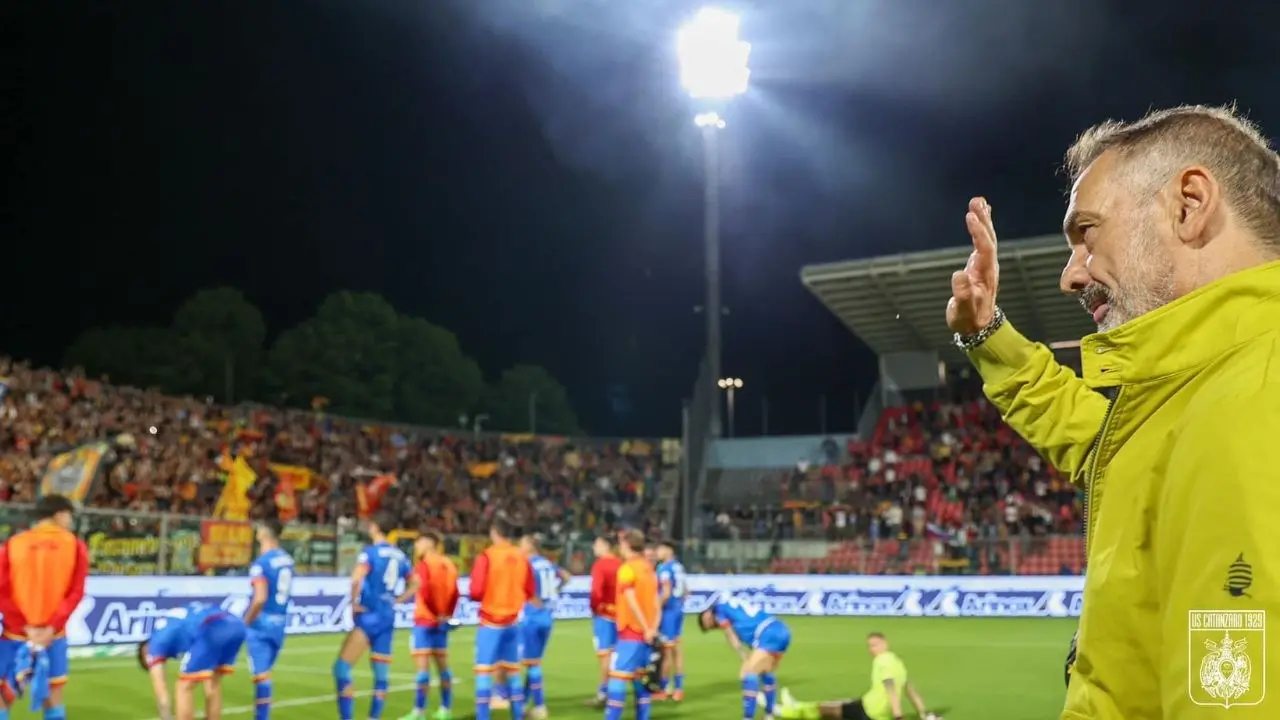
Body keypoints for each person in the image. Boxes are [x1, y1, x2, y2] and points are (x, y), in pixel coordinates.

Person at [945, 104, 1280, 717]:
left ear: (1189, 204)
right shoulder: (1203, 388)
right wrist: (988, 334)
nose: (1070, 277)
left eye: (1086, 233)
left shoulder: (1258, 395)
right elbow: (1105, 448)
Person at [0, 494, 89, 720]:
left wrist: (25, 627)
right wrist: (50, 627)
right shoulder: (76, 546)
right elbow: (76, 592)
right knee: (53, 697)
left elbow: (2, 590)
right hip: (53, 637)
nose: (70, 521)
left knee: (4, 697)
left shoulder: (12, 545)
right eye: (70, 515)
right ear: (59, 514)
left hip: (15, 635)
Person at [334, 512, 416, 720]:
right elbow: (417, 583)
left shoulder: (370, 553)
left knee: (342, 668)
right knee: (381, 675)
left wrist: (353, 604)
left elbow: (356, 579)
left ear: (375, 527)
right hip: (387, 617)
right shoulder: (400, 555)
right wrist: (398, 599)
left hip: (370, 614)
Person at [776, 633, 939, 720]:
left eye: (874, 645)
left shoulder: (882, 662)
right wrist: (923, 713)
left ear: (885, 644)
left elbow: (891, 691)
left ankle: (786, 711)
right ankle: (797, 706)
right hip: (873, 707)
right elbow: (910, 691)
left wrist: (898, 716)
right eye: (869, 646)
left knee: (826, 711)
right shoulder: (898, 662)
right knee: (841, 703)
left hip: (870, 711)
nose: (871, 649)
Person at [469, 518, 536, 720]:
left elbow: (476, 591)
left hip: (491, 621)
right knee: (513, 671)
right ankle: (517, 714)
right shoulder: (521, 556)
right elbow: (530, 589)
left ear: (494, 532)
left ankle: (483, 716)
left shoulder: (487, 556)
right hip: (513, 622)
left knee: (484, 672)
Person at [137, 601, 248, 720]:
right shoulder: (168, 624)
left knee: (184, 686)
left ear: (145, 653)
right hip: (236, 625)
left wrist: (167, 717)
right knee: (213, 683)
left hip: (212, 627)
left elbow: (162, 697)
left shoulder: (154, 645)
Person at [697, 594, 790, 720]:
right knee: (766, 673)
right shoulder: (732, 609)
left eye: (707, 622)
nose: (712, 625)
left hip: (766, 632)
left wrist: (743, 657)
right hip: (780, 629)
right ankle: (769, 715)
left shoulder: (719, 610)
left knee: (747, 673)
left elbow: (730, 634)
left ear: (707, 613)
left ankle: (748, 717)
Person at [401, 530, 460, 720]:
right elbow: (455, 593)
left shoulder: (423, 565)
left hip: (425, 621)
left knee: (422, 669)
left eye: (418, 543)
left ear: (428, 543)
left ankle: (419, 712)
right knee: (443, 666)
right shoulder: (449, 564)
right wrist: (446, 615)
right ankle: (446, 709)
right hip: (441, 623)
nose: (416, 547)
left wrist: (435, 614)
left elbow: (424, 591)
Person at [604, 529, 659, 720]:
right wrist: (652, 628)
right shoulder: (647, 568)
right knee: (641, 682)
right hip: (647, 636)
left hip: (631, 632)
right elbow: (656, 602)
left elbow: (631, 599)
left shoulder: (627, 568)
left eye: (621, 543)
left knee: (617, 680)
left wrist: (644, 627)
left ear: (626, 544)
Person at [244, 519, 295, 720]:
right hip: (280, 624)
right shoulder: (287, 560)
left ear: (264, 533)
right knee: (264, 675)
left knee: (261, 678)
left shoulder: (261, 564)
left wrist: (246, 621)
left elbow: (260, 598)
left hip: (261, 625)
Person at [519, 533, 571, 720]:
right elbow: (566, 577)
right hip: (547, 618)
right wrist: (553, 594)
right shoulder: (548, 563)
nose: (520, 547)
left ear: (531, 546)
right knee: (531, 661)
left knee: (531, 663)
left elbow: (522, 588)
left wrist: (532, 600)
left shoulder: (527, 565)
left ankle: (540, 707)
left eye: (522, 544)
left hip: (532, 619)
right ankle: (523, 704)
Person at [588, 535, 622, 707]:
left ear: (605, 545)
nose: (594, 547)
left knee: (605, 656)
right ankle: (618, 692)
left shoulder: (600, 565)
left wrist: (594, 609)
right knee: (618, 655)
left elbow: (596, 592)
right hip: (621, 615)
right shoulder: (620, 563)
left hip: (605, 615)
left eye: (597, 544)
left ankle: (603, 694)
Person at [653, 541, 687, 701]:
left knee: (666, 652)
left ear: (669, 550)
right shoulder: (678, 567)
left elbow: (665, 593)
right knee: (677, 651)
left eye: (660, 548)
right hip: (678, 611)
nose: (657, 551)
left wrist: (655, 609)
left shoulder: (665, 569)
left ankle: (664, 689)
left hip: (668, 614)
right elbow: (686, 591)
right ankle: (679, 689)